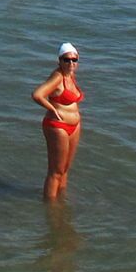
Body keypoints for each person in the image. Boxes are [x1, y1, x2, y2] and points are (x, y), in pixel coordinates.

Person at [33, 43, 84, 199]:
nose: (70, 63)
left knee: (65, 169)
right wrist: (53, 109)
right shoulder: (58, 77)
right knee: (55, 171)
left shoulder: (71, 75)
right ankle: (51, 210)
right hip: (57, 126)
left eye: (74, 60)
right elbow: (37, 94)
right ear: (59, 61)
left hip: (74, 126)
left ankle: (61, 202)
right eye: (66, 60)